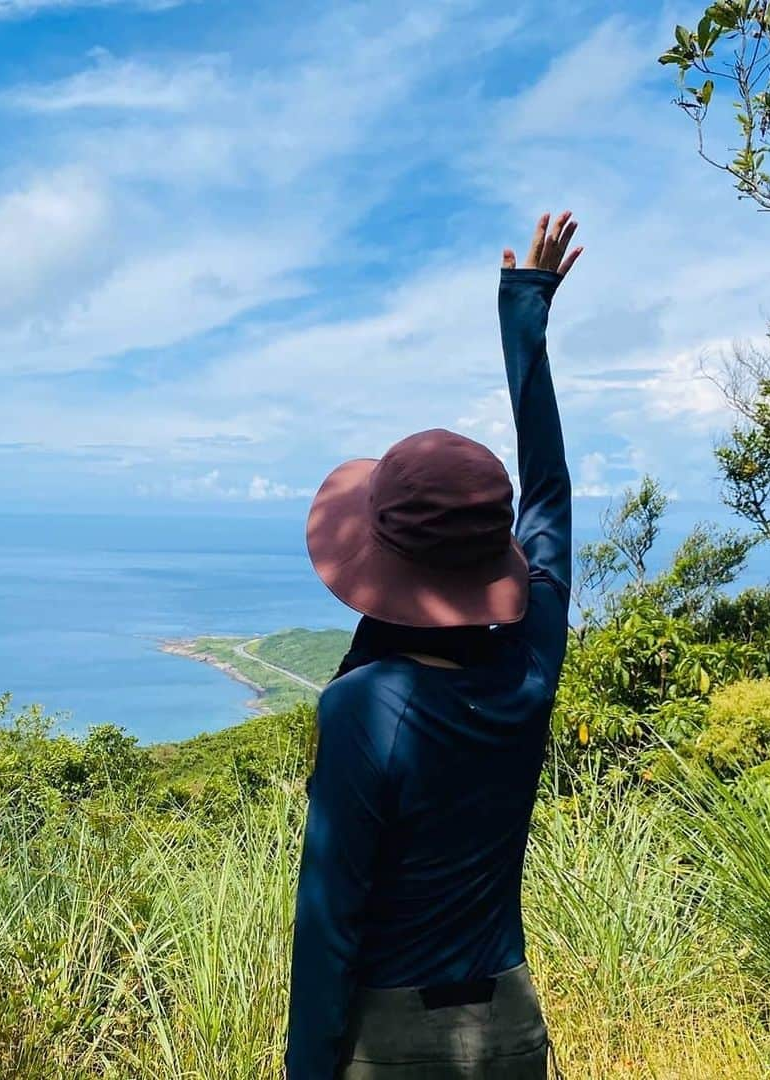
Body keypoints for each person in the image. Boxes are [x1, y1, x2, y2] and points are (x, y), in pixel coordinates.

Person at [284, 211, 583, 1079]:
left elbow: (330, 925)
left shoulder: (362, 710)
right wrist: (525, 314)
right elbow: (551, 501)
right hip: (513, 1034)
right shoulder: (529, 669)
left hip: (395, 1045)